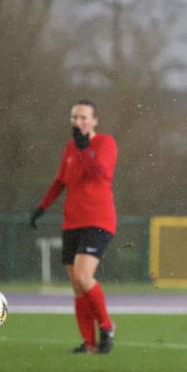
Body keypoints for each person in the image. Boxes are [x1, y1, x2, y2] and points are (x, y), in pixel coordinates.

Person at [30, 100, 118, 354]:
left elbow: (101, 174)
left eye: (83, 117)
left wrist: (85, 150)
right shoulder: (70, 147)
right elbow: (60, 181)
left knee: (83, 276)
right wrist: (42, 207)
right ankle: (89, 343)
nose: (78, 122)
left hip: (99, 220)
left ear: (94, 120)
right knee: (77, 285)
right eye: (74, 117)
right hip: (73, 221)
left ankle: (108, 325)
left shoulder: (105, 143)